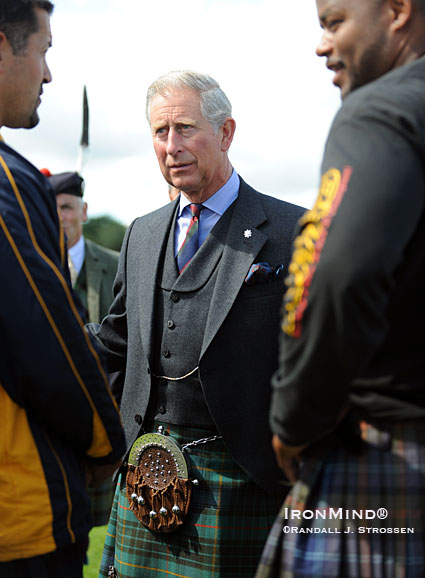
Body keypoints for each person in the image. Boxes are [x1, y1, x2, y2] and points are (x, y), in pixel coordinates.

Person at [87, 70, 304, 578]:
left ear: (226, 133)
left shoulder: (294, 231)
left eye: (185, 128)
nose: (171, 146)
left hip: (247, 476)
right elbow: (114, 341)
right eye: (160, 133)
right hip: (144, 472)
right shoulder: (141, 234)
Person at [256, 1, 425, 577]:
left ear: (398, 11)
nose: (322, 45)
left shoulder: (380, 112)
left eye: (334, 22)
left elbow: (330, 276)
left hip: (386, 461)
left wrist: (294, 417)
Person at [0, 2, 125, 577]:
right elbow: (47, 344)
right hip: (18, 514)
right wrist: (105, 441)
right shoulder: (8, 184)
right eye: (44, 50)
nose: (47, 73)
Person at [43, 169, 121, 527]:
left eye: (67, 207)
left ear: (84, 210)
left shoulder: (117, 264)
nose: (61, 217)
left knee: (98, 526)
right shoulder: (29, 262)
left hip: (102, 414)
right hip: (44, 417)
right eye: (53, 207)